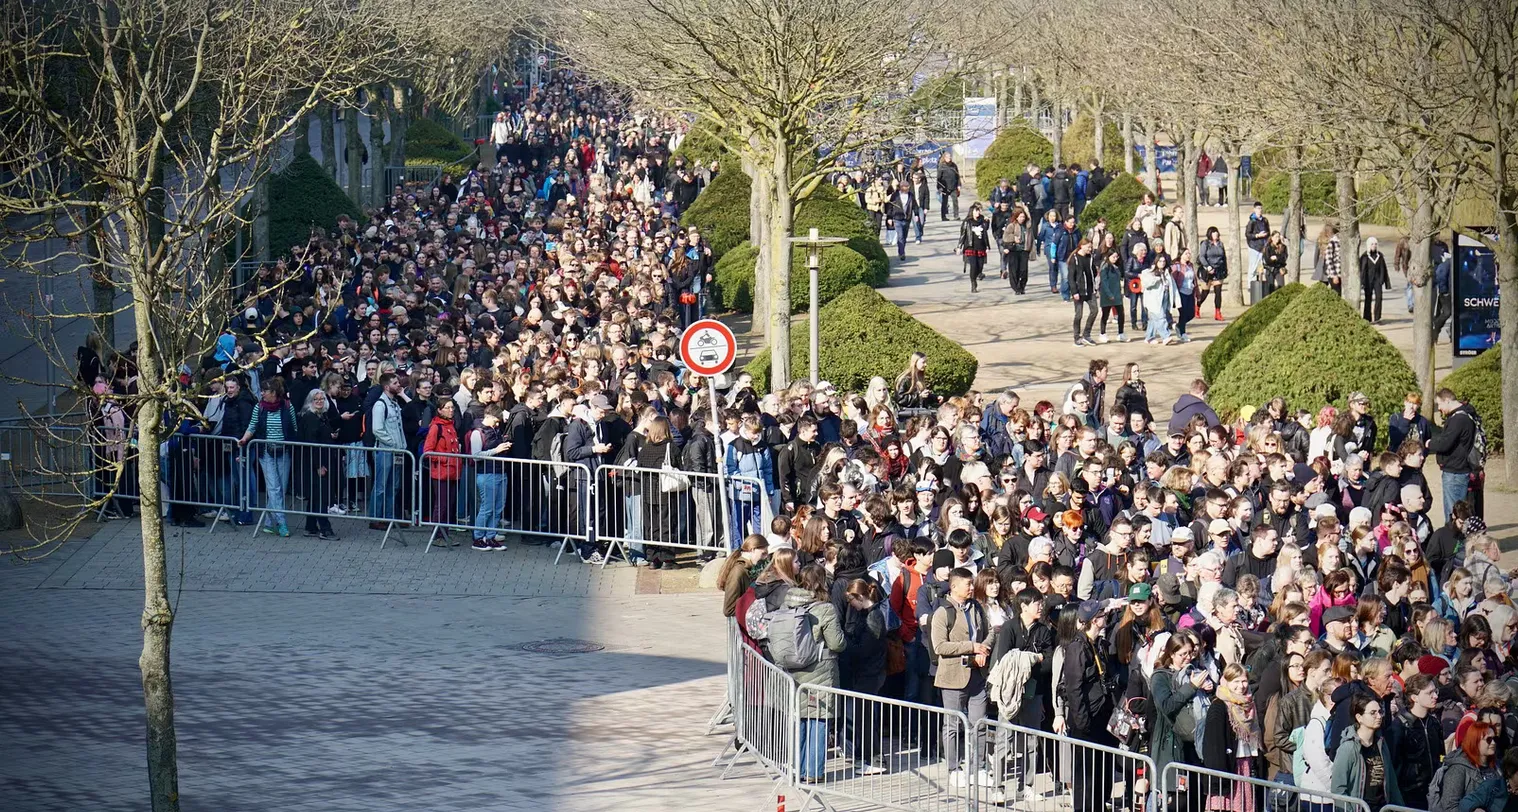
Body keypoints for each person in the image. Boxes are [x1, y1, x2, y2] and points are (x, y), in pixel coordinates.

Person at [931, 566, 992, 788]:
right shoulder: (942, 612)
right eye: (967, 584)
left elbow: (988, 631)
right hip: (953, 676)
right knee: (952, 724)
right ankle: (953, 768)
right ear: (954, 586)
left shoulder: (976, 607)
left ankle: (979, 767)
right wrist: (971, 647)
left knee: (980, 723)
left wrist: (983, 648)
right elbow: (940, 645)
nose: (971, 588)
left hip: (977, 674)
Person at [787, 564, 847, 784]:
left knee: (801, 720)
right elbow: (836, 643)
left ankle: (797, 768)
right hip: (820, 670)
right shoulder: (825, 609)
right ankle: (813, 771)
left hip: (794, 670)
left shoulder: (788, 604)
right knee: (819, 721)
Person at [1057, 600, 1118, 812]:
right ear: (1093, 620)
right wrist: (1082, 721)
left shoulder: (1097, 643)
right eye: (1102, 615)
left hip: (1102, 715)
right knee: (1086, 774)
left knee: (1103, 770)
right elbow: (1074, 688)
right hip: (1086, 719)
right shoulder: (1077, 647)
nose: (1106, 617)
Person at [238, 377, 297, 537]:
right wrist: (244, 439)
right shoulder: (259, 407)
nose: (262, 393)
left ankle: (269, 523)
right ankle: (282, 522)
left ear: (274, 392)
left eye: (265, 391)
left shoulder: (287, 406)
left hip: (284, 451)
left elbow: (294, 426)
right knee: (274, 488)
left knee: (281, 489)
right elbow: (252, 426)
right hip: (266, 452)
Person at [1204, 662, 1263, 812]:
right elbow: (1213, 745)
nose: (1241, 686)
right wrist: (1218, 781)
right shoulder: (1219, 706)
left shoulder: (1250, 705)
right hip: (1227, 768)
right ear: (1226, 682)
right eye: (1235, 681)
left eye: (1244, 681)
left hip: (1245, 763)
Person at [1331, 692, 1402, 806]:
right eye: (1373, 713)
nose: (1379, 716)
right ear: (1359, 718)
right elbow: (1338, 789)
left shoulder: (1381, 744)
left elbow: (1392, 783)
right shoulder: (1348, 748)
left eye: (1380, 712)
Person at [1427, 388, 1483, 521]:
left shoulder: (1458, 419)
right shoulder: (1467, 415)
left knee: (1454, 514)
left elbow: (1445, 444)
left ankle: (1455, 540)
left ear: (1447, 400)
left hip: (1455, 471)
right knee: (1460, 511)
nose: (1439, 408)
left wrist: (1430, 443)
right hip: (1460, 469)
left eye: (1439, 404)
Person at [294, 388, 339, 540]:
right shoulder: (310, 417)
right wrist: (318, 465)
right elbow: (311, 443)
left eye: (322, 399)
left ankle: (310, 526)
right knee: (320, 496)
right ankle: (325, 529)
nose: (320, 401)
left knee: (316, 496)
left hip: (320, 460)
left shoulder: (321, 416)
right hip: (315, 462)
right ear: (310, 401)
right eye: (316, 399)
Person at [422, 398, 464, 547]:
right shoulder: (436, 427)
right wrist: (445, 459)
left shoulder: (451, 426)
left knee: (450, 504)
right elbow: (428, 451)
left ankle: (445, 533)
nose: (451, 410)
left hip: (453, 472)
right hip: (441, 472)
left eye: (452, 407)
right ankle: (437, 535)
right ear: (439, 410)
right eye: (447, 408)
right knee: (441, 505)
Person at [1069, 238, 1098, 346]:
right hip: (1079, 291)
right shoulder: (1074, 258)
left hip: (1090, 290)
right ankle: (1077, 337)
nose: (1090, 249)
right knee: (1078, 315)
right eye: (1088, 247)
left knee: (1094, 310)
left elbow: (1093, 272)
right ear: (1082, 246)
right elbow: (1071, 277)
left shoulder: (1090, 258)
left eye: (1091, 247)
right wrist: (1074, 291)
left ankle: (1087, 334)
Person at [957, 203, 992, 293]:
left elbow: (985, 231)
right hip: (970, 247)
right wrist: (959, 247)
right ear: (972, 212)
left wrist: (987, 221)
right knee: (973, 265)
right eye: (976, 211)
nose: (978, 212)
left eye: (979, 211)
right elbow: (963, 235)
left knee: (980, 266)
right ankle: (973, 283)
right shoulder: (967, 222)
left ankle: (978, 274)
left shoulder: (982, 220)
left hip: (981, 247)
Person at [1198, 226, 1229, 321]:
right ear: (1210, 234)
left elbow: (1224, 257)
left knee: (1218, 292)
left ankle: (1218, 312)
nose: (1216, 235)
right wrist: (1207, 267)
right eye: (1213, 233)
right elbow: (1202, 257)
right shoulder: (1205, 244)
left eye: (1217, 233)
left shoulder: (1220, 244)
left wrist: (1225, 269)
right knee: (1205, 292)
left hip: (1218, 270)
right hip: (1207, 270)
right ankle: (1197, 306)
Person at [1002, 207, 1035, 294]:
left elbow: (1031, 238)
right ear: (1016, 217)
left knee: (1023, 270)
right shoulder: (1011, 225)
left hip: (1024, 250)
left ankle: (1022, 286)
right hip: (1014, 250)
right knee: (1014, 270)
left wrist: (1033, 250)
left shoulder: (1028, 226)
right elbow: (1005, 237)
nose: (1022, 219)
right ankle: (1016, 288)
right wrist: (1014, 238)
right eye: (1020, 217)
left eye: (1023, 217)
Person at [1359, 237, 1391, 323]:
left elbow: (1383, 269)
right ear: (1369, 245)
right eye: (1372, 244)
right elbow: (1362, 270)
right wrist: (1362, 282)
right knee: (1368, 299)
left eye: (1375, 244)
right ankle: (1367, 318)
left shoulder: (1379, 256)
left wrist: (1384, 281)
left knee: (1379, 297)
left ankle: (1377, 318)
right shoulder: (1365, 256)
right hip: (1368, 281)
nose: (1374, 246)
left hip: (1377, 280)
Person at [937, 152, 961, 221]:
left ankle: (956, 216)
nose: (949, 158)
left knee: (955, 201)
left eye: (950, 157)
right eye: (948, 157)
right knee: (945, 202)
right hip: (945, 187)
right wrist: (939, 187)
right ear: (944, 158)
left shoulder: (954, 165)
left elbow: (958, 176)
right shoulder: (941, 166)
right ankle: (943, 216)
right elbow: (938, 178)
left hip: (953, 186)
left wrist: (959, 185)